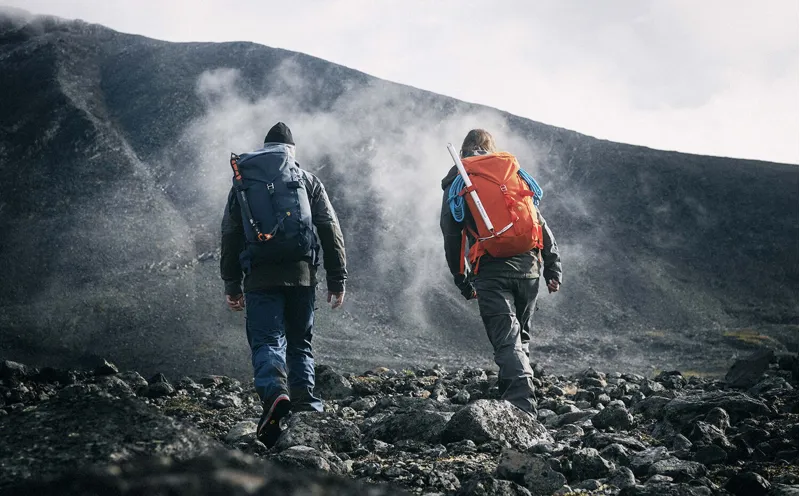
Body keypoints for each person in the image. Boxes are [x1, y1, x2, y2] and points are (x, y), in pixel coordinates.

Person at [221, 122, 347, 447]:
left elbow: (231, 235)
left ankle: (276, 394)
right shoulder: (306, 180)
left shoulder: (245, 183)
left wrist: (232, 284)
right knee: (300, 342)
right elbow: (329, 229)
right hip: (302, 275)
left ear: (265, 149)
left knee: (267, 340)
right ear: (292, 150)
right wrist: (337, 278)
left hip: (260, 278)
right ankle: (307, 407)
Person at [439, 129, 562, 415]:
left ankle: (521, 408)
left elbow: (452, 237)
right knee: (521, 338)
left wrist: (462, 280)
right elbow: (539, 223)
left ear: (464, 149)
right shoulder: (512, 174)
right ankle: (520, 393)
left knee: (507, 340)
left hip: (491, 270)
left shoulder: (461, 180)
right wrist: (552, 267)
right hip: (529, 267)